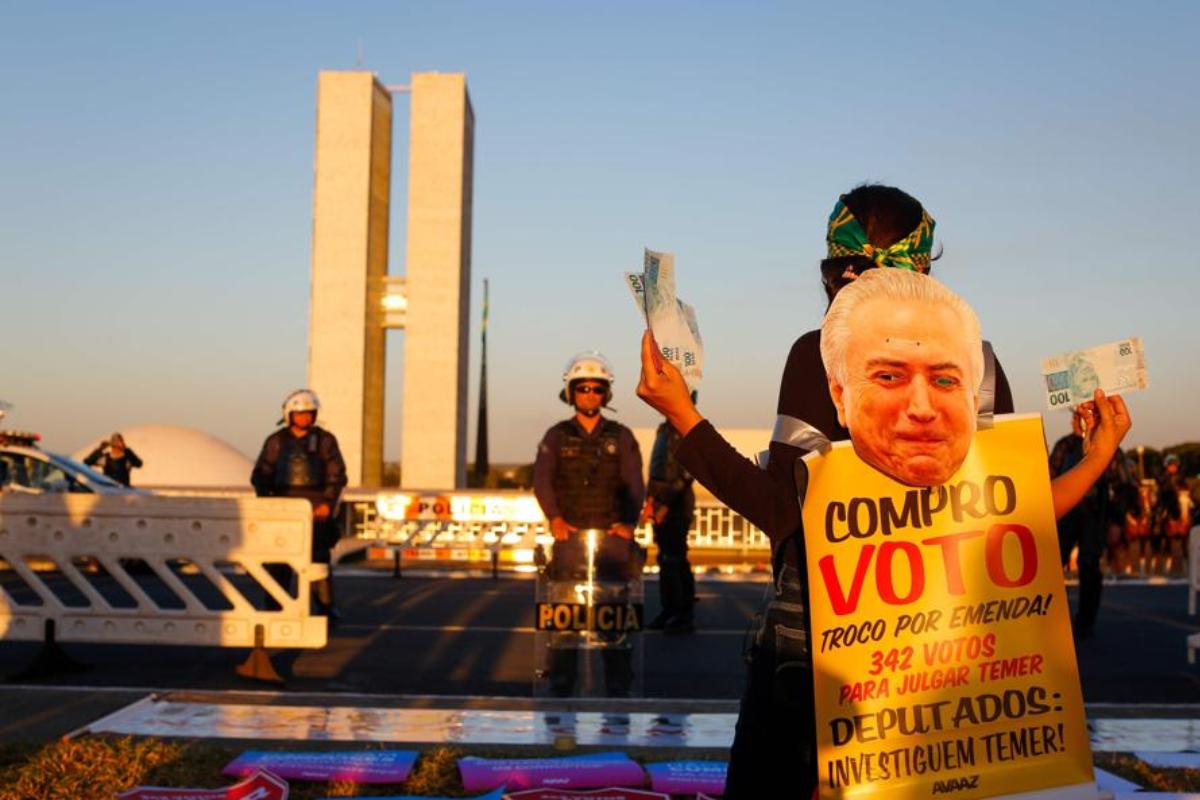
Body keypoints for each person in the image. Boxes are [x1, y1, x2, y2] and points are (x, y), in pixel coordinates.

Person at [635, 185, 1118, 799]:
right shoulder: (981, 365)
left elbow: (788, 517)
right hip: (950, 657)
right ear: (926, 275)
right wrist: (1099, 454)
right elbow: (1016, 520)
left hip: (818, 648)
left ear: (835, 275)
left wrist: (683, 418)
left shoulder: (817, 355)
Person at [533, 351, 645, 696]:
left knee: (615, 630)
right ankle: (562, 707)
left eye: (597, 389)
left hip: (611, 546)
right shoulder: (555, 436)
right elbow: (542, 480)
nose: (590, 394)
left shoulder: (622, 436)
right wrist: (554, 518)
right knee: (566, 626)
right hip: (569, 544)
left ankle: (618, 705)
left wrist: (629, 523)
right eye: (583, 388)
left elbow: (635, 485)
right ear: (571, 392)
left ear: (606, 394)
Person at [250, 389, 346, 618]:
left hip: (316, 509)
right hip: (283, 508)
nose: (305, 418)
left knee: (318, 560)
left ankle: (325, 607)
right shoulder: (276, 441)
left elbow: (337, 474)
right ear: (289, 414)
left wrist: (327, 503)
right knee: (278, 561)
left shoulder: (325, 440)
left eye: (309, 413)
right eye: (300, 413)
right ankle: (274, 606)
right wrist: (268, 503)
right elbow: (261, 474)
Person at [1050, 406, 1118, 639]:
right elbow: (1048, 478)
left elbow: (1120, 486)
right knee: (1052, 567)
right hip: (1065, 517)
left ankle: (1085, 622)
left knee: (1089, 566)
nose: (1074, 422)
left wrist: (1117, 520)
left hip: (1093, 515)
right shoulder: (1063, 446)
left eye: (1078, 417)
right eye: (1073, 418)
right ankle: (1050, 621)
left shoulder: (1108, 447)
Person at [644, 405, 697, 633]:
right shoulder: (664, 429)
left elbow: (687, 473)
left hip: (677, 505)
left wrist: (665, 503)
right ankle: (669, 609)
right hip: (660, 501)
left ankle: (682, 614)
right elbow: (656, 468)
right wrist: (650, 500)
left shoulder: (689, 428)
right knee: (665, 560)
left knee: (675, 559)